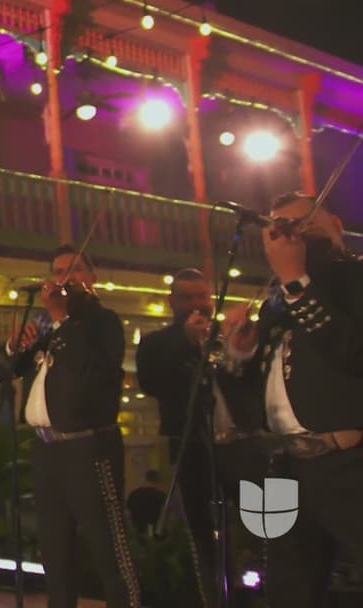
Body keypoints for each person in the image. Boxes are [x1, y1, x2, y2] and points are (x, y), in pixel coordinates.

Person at [222, 192, 363, 606]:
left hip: (347, 460)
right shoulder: (276, 302)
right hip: (282, 465)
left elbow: (352, 352)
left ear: (335, 227)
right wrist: (240, 354)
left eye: (300, 226)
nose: (289, 237)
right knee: (287, 589)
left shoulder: (352, 279)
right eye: (278, 230)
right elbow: (252, 398)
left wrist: (298, 283)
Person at [0, 245, 140, 608]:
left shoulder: (102, 323)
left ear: (92, 279)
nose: (64, 279)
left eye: (73, 271)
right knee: (56, 554)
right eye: (57, 272)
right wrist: (13, 348)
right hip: (47, 450)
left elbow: (81, 378)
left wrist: (62, 317)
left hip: (88, 448)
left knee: (109, 550)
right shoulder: (50, 333)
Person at [135, 267, 264, 606]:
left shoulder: (231, 335)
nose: (196, 305)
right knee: (203, 539)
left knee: (264, 531)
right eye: (187, 298)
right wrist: (185, 342)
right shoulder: (157, 343)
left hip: (244, 447)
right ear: (172, 302)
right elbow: (150, 381)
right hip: (191, 447)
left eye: (201, 297)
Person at [126, 470, 167, 538]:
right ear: (156, 481)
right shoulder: (160, 496)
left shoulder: (133, 494)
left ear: (146, 479)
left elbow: (127, 514)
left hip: (137, 533)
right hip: (154, 534)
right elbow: (165, 515)